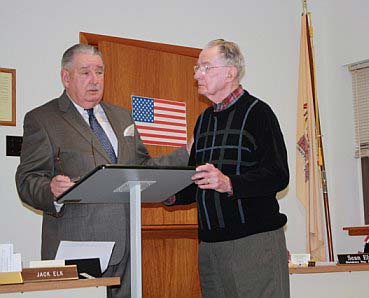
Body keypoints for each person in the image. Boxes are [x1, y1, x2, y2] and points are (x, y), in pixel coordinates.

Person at [15, 44, 190, 298]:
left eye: (99, 72)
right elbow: (26, 180)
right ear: (66, 77)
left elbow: (143, 170)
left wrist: (185, 152)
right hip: (76, 250)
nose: (95, 80)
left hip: (127, 252)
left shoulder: (122, 117)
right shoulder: (43, 119)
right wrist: (50, 189)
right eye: (85, 72)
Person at [171, 39, 290, 297]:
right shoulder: (203, 120)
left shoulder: (259, 113)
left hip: (253, 244)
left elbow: (278, 175)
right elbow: (198, 182)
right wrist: (168, 193)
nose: (196, 74)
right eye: (197, 67)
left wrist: (229, 184)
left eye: (205, 67)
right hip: (210, 247)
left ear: (230, 73)